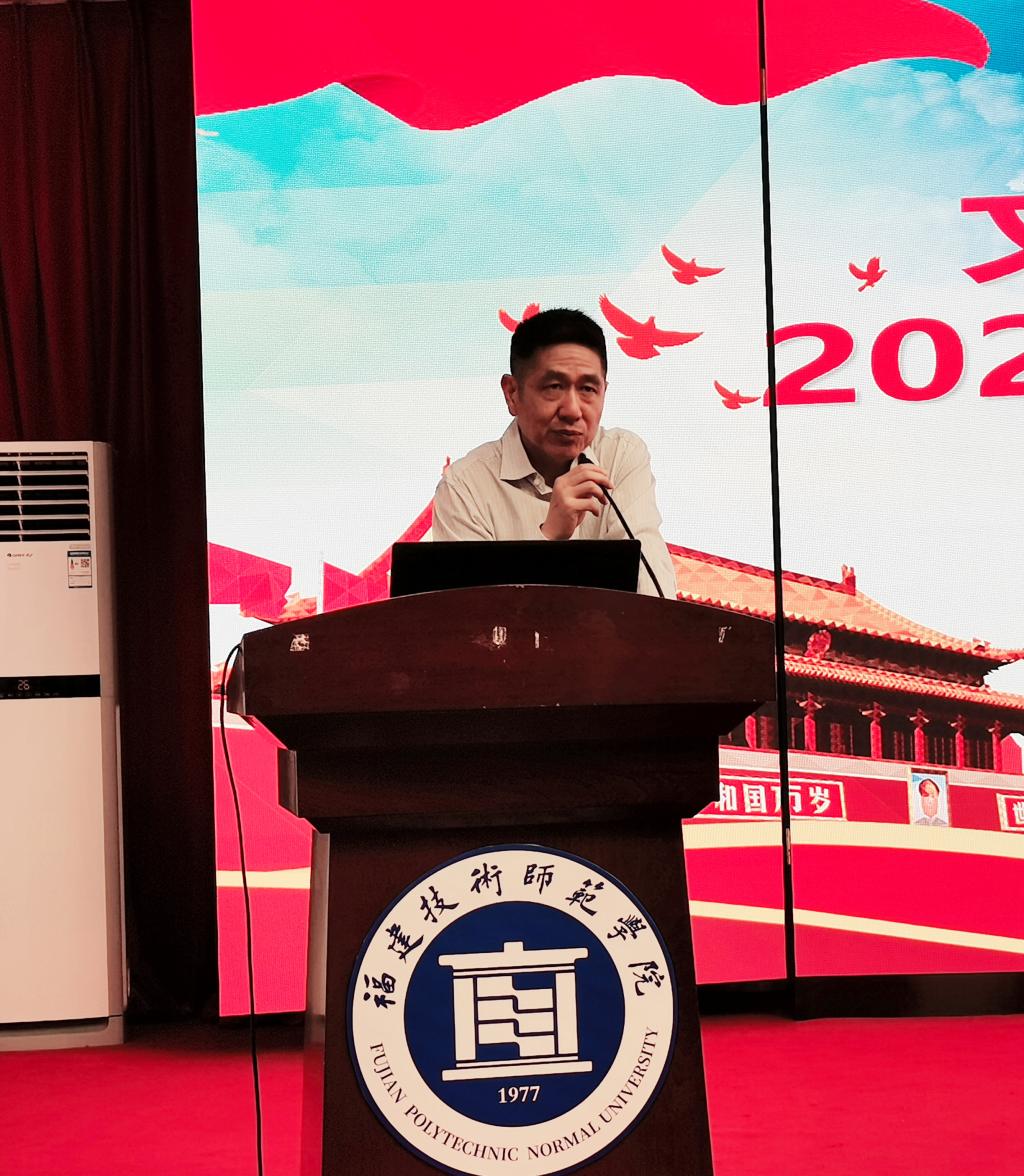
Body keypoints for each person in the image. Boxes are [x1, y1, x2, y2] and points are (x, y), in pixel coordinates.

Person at [432, 308, 676, 597]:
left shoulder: (621, 456)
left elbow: (652, 589)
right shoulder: (465, 486)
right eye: (554, 387)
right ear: (512, 393)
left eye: (588, 389)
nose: (572, 410)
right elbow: (470, 614)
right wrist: (549, 537)